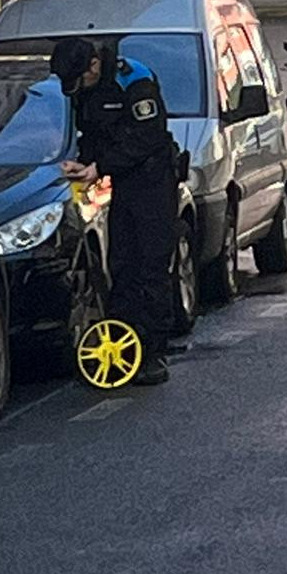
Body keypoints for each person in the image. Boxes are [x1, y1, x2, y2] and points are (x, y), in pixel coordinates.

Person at [50, 37, 179, 386]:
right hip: (118, 185)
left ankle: (153, 352)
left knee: (151, 266)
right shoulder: (83, 87)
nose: (76, 90)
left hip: (152, 183)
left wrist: (100, 166)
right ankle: (124, 346)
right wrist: (83, 162)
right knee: (121, 267)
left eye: (79, 81)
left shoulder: (133, 78)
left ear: (94, 65)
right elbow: (91, 132)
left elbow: (148, 136)